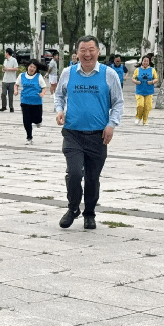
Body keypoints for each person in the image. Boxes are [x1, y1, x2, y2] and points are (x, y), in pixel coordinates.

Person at [55, 35, 124, 230]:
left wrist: (111, 124)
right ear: (77, 53)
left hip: (98, 135)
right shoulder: (68, 73)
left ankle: (89, 213)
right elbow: (59, 95)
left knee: (93, 178)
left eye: (91, 50)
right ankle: (73, 208)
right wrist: (59, 110)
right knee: (74, 173)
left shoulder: (109, 74)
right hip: (72, 133)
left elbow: (118, 102)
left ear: (98, 52)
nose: (87, 54)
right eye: (83, 50)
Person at [14, 59, 48, 145]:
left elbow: (44, 87)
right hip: (25, 101)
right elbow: (16, 84)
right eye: (30, 66)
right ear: (27, 67)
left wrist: (42, 93)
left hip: (37, 102)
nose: (32, 68)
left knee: (37, 119)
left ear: (36, 69)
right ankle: (29, 137)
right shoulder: (21, 75)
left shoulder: (39, 76)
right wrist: (15, 91)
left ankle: (38, 122)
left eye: (34, 67)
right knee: (26, 120)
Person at [132, 55, 158, 126]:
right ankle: (138, 117)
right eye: (144, 61)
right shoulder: (137, 70)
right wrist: (136, 82)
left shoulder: (152, 70)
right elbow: (133, 78)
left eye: (147, 61)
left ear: (149, 62)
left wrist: (152, 82)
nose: (145, 62)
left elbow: (156, 78)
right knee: (140, 105)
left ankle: (145, 120)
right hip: (140, 91)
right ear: (142, 62)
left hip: (149, 91)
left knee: (147, 106)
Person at [0, 48, 19, 112]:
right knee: (3, 93)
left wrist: (8, 69)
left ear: (7, 53)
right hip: (5, 80)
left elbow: (16, 69)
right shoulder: (5, 60)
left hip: (12, 80)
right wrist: (3, 69)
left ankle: (11, 107)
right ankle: (3, 106)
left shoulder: (14, 60)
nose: (4, 54)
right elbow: (4, 68)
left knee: (10, 95)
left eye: (5, 52)